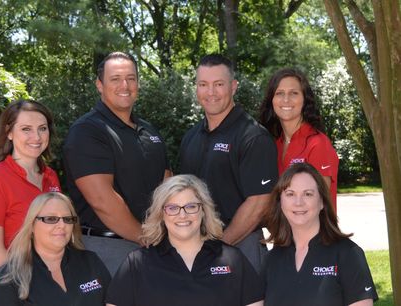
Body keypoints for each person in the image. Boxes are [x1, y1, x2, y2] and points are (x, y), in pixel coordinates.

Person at [63, 51, 171, 275]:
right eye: (115, 79)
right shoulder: (87, 131)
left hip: (153, 247)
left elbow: (167, 184)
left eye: (131, 78)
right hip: (106, 249)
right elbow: (102, 200)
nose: (125, 85)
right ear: (99, 85)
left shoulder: (149, 131)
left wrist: (166, 233)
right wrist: (146, 237)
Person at [179, 54, 278, 272]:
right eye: (203, 84)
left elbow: (259, 202)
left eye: (219, 84)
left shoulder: (253, 137)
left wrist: (219, 246)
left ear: (233, 87)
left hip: (240, 247)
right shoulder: (191, 137)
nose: (210, 92)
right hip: (196, 250)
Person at [106, 174, 264, 306]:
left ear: (203, 211)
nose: (182, 215)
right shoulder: (137, 263)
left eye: (191, 206)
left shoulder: (233, 259)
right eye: (173, 208)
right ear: (161, 214)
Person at [0, 99, 61, 306]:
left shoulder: (51, 177)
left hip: (42, 288)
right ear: (9, 133)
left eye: (42, 128)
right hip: (3, 292)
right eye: (26, 129)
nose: (36, 137)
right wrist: (29, 291)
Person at [262, 163, 378, 306]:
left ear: (322, 201)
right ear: (280, 202)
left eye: (308, 194)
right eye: (290, 194)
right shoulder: (270, 260)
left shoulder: (348, 254)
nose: (299, 202)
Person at [0, 192, 111, 305]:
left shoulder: (90, 262)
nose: (62, 225)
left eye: (68, 219)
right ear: (32, 226)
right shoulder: (9, 277)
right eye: (51, 219)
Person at [259, 68, 339, 211]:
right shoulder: (274, 145)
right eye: (279, 93)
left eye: (294, 93)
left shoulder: (318, 144)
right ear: (272, 100)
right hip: (284, 233)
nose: (286, 99)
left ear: (305, 99)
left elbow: (317, 203)